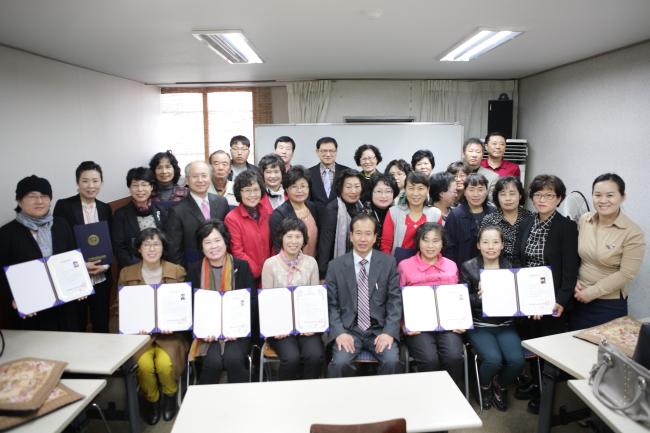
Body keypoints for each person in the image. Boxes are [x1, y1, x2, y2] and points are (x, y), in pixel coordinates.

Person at [512, 174, 578, 413]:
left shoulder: (566, 227)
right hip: (529, 295)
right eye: (538, 194)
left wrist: (560, 300)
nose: (542, 199)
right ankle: (535, 381)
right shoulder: (527, 222)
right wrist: (522, 293)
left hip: (552, 300)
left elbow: (570, 269)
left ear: (559, 199)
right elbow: (518, 258)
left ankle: (546, 393)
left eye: (549, 195)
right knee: (531, 342)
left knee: (549, 347)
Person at [118, 228, 187, 425]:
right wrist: (134, 325)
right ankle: (153, 401)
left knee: (165, 364)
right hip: (140, 336)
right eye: (146, 244)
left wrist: (174, 323)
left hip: (170, 335)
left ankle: (170, 396)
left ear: (163, 248)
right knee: (144, 365)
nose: (151, 249)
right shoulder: (126, 273)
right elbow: (120, 309)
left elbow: (184, 307)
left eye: (156, 244)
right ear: (139, 249)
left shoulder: (177, 270)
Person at [326, 213, 403, 377]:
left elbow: (394, 301)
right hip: (349, 330)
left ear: (375, 237)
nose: (363, 238)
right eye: (358, 233)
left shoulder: (388, 263)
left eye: (368, 233)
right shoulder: (335, 266)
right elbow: (331, 305)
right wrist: (339, 333)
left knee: (392, 361)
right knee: (340, 363)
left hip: (379, 330)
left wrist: (388, 332)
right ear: (351, 236)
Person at [0, 175, 81, 332]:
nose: (39, 201)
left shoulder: (61, 225)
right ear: (19, 201)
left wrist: (79, 283)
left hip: (64, 306)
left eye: (44, 196)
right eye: (32, 197)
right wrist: (14, 296)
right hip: (31, 309)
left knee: (69, 343)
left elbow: (72, 257)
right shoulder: (6, 234)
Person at [461, 225, 526, 411]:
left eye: (496, 242)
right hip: (479, 324)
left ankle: (500, 384)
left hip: (505, 324)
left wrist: (528, 306)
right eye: (485, 242)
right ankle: (484, 385)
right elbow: (461, 298)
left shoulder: (511, 268)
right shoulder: (468, 266)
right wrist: (479, 297)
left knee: (517, 361)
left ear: (502, 245)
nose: (491, 246)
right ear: (478, 245)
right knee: (493, 359)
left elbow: (520, 297)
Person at [570, 174, 646, 330]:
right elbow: (573, 254)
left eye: (610, 195)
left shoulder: (632, 232)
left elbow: (627, 274)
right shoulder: (585, 220)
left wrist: (591, 293)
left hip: (608, 304)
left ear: (622, 197)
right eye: (598, 195)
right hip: (578, 297)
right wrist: (573, 279)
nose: (603, 200)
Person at [187, 220, 256, 385]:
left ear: (225, 241)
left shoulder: (241, 266)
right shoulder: (194, 269)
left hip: (237, 332)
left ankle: (240, 398)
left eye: (217, 240)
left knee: (233, 359)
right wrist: (202, 330)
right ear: (201, 246)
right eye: (207, 242)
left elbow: (252, 301)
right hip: (207, 334)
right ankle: (207, 400)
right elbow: (190, 305)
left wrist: (239, 328)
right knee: (213, 362)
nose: (213, 246)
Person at [398, 223, 464, 386]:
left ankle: (451, 394)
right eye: (425, 240)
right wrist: (403, 324)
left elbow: (458, 298)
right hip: (418, 326)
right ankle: (430, 395)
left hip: (448, 325)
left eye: (435, 241)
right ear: (418, 242)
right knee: (429, 359)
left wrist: (461, 320)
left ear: (442, 244)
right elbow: (396, 299)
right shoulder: (404, 266)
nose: (430, 245)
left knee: (454, 357)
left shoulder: (451, 265)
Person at [53, 161, 113, 333]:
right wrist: (80, 265)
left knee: (101, 325)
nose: (90, 186)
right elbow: (59, 242)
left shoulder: (105, 208)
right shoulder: (64, 206)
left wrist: (105, 265)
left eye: (95, 180)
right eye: (85, 181)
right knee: (76, 326)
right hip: (74, 278)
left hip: (100, 278)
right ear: (77, 182)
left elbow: (109, 240)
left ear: (101, 182)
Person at [261, 218, 322, 381]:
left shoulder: (311, 263)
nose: (293, 241)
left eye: (298, 236)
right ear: (281, 238)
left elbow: (315, 299)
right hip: (279, 326)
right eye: (289, 236)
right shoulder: (270, 264)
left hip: (306, 325)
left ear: (304, 239)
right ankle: (285, 394)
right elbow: (267, 303)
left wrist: (313, 325)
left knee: (315, 355)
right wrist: (275, 328)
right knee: (291, 358)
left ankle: (309, 392)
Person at [166, 161, 230, 268]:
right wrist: (186, 273)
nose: (200, 180)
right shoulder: (177, 210)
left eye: (204, 175)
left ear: (210, 177)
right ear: (187, 180)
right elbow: (174, 250)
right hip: (193, 268)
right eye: (195, 176)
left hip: (222, 266)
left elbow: (227, 237)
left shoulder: (222, 202)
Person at [112, 167, 166, 271]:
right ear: (129, 188)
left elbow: (166, 241)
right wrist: (135, 269)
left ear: (151, 187)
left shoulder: (160, 211)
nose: (140, 189)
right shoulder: (120, 214)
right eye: (135, 185)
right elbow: (119, 247)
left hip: (159, 268)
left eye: (144, 184)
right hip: (131, 270)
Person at [316, 169, 366, 281]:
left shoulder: (361, 208)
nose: (353, 191)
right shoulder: (332, 210)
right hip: (336, 267)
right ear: (340, 188)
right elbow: (325, 244)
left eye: (357, 186)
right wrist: (323, 274)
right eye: (348, 187)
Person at [224, 169, 272, 282]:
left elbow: (273, 245)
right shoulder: (232, 219)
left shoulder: (268, 213)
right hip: (247, 277)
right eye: (247, 190)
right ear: (239, 193)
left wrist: (269, 271)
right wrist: (258, 272)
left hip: (269, 276)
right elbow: (237, 252)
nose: (252, 195)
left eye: (256, 190)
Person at [380, 171, 442, 255]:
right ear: (405, 189)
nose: (415, 193)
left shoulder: (435, 214)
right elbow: (386, 245)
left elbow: (438, 244)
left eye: (420, 188)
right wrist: (390, 263)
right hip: (397, 261)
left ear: (428, 190)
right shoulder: (393, 212)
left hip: (426, 261)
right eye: (411, 188)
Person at [444, 173, 497, 268]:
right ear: (464, 191)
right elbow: (449, 248)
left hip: (490, 269)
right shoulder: (455, 215)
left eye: (480, 189)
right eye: (471, 190)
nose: (476, 195)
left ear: (486, 190)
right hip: (463, 270)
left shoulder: (493, 212)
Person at [480, 176, 534, 262]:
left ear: (520, 195)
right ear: (497, 197)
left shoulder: (531, 218)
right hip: (498, 267)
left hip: (526, 267)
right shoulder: (489, 220)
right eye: (503, 194)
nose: (508, 198)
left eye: (512, 194)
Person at [269, 166, 319, 256]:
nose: (299, 190)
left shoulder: (313, 207)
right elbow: (279, 248)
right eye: (294, 186)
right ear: (286, 189)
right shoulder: (279, 215)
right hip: (291, 263)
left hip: (314, 262)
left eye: (303, 186)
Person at [307, 137, 350, 218]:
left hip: (341, 218)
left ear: (336, 152)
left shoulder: (347, 172)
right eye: (324, 151)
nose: (328, 154)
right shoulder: (308, 173)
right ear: (317, 152)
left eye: (332, 151)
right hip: (316, 218)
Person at [360, 172, 399, 250]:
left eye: (388, 191)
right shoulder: (363, 216)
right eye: (379, 191)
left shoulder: (397, 213)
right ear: (371, 192)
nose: (383, 196)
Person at [462, 138, 499, 203]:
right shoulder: (456, 175)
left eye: (478, 152)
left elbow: (493, 203)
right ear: (463, 154)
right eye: (470, 151)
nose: (474, 155)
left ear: (482, 155)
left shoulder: (493, 177)